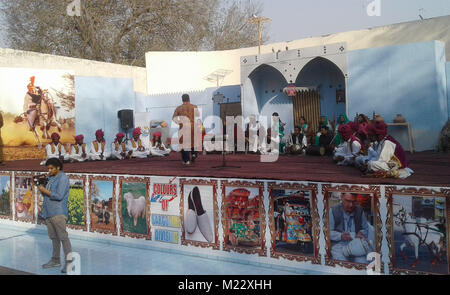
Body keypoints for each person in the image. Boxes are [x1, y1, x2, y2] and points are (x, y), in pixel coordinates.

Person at [32, 158, 72, 273]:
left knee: (63, 238)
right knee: (54, 238)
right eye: (48, 168)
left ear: (58, 168)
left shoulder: (63, 178)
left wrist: (43, 190)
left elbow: (59, 195)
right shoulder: (50, 178)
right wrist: (39, 186)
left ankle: (70, 264)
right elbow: (45, 194)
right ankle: (56, 260)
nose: (49, 170)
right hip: (48, 212)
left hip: (58, 213)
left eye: (51, 168)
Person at [329, 193, 370, 264]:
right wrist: (340, 236)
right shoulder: (333, 211)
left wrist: (361, 233)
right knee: (343, 264)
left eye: (354, 202)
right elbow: (327, 232)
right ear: (341, 197)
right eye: (348, 201)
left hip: (356, 244)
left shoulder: (360, 211)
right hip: (339, 245)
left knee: (363, 263)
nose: (351, 205)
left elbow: (366, 228)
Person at [172, 94, 200, 165]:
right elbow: (198, 116)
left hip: (183, 128)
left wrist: (179, 123)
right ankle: (194, 153)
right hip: (193, 127)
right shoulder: (194, 107)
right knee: (194, 141)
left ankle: (186, 160)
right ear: (189, 99)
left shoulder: (179, 108)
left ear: (182, 99)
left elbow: (174, 118)